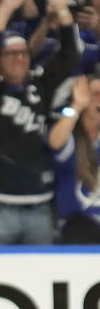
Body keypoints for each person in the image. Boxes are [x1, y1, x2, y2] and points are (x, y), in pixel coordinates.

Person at [0, 0, 81, 244]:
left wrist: (62, 10)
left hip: (38, 201)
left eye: (23, 53)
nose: (19, 58)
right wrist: (5, 9)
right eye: (10, 54)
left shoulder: (40, 85)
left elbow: (69, 56)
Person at [48, 75, 100, 243]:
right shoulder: (72, 139)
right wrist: (76, 106)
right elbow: (55, 142)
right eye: (95, 93)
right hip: (77, 231)